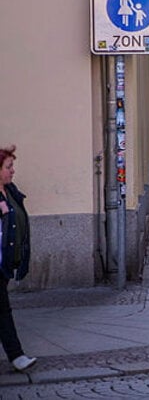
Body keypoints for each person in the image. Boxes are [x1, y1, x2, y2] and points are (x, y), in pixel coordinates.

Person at [0, 145, 37, 372]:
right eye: (8, 167)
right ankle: (17, 356)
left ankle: (17, 356)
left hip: (4, 264)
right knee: (3, 311)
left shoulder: (10, 191)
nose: (13, 171)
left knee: (2, 310)